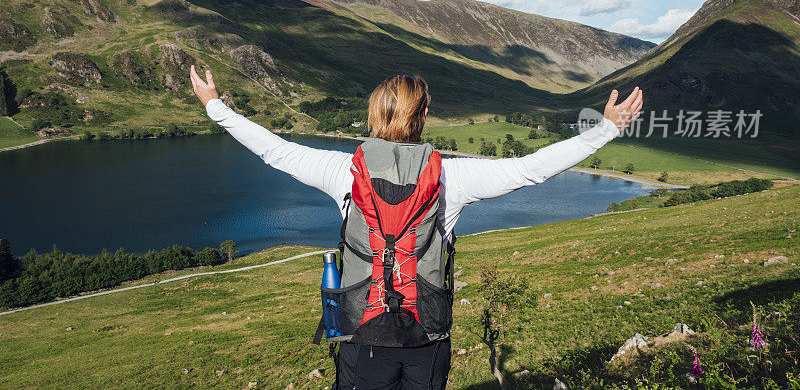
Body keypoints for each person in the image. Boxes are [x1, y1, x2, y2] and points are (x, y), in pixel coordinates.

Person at [189, 65, 643, 389]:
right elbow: (530, 169)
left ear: (374, 116)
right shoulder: (451, 176)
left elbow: (276, 150)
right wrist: (604, 129)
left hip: (362, 335)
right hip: (427, 336)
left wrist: (216, 108)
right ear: (422, 117)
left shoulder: (344, 170)